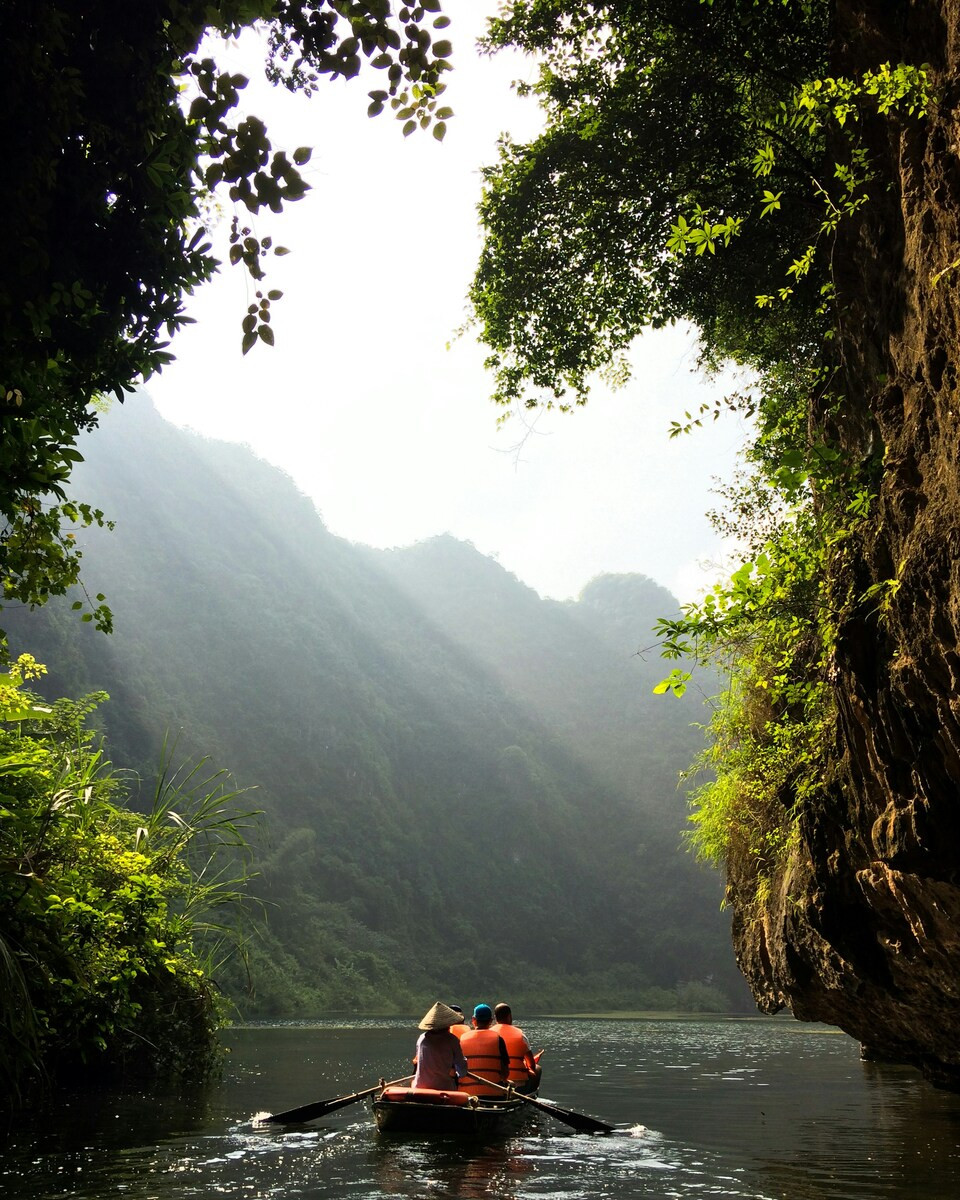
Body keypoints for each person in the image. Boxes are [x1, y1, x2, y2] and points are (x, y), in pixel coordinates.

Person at [412, 1001, 468, 1091]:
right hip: (443, 1088)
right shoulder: (452, 1040)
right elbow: (462, 1069)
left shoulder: (421, 1038)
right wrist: (459, 1074)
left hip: (419, 1086)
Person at [459, 1003, 510, 1096]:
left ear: (473, 1020)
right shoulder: (498, 1039)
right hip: (493, 1095)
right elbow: (505, 1073)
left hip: (466, 1095)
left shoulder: (462, 1038)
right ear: (490, 1021)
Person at [492, 1002, 540, 1086]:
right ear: (510, 1016)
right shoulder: (521, 1035)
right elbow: (531, 1065)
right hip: (519, 1083)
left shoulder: (490, 1034)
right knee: (538, 1069)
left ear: (495, 1018)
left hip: (495, 1083)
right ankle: (531, 1095)